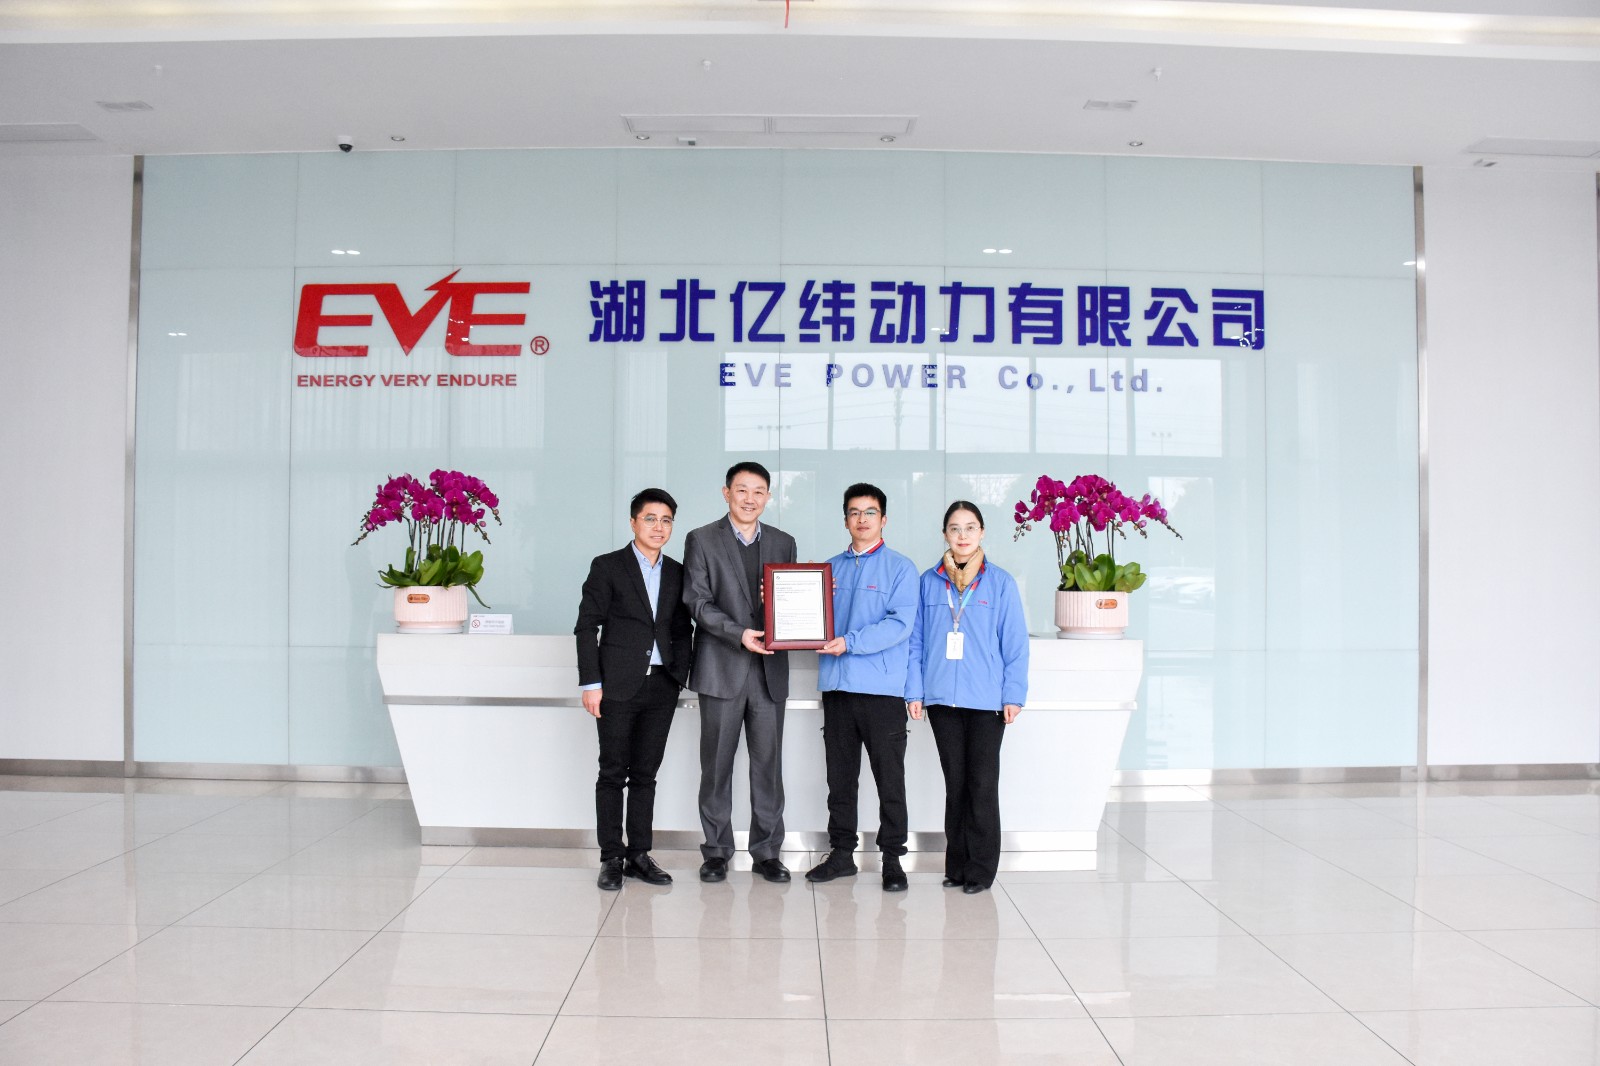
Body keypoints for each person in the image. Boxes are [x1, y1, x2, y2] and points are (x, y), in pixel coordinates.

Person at [681, 461, 798, 884]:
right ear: (726, 492)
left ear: (768, 497)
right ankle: (716, 851)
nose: (750, 499)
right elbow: (696, 601)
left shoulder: (784, 542)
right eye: (742, 490)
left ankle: (767, 852)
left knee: (768, 767)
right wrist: (739, 633)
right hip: (721, 668)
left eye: (759, 491)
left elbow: (788, 603)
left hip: (769, 671)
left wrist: (813, 602)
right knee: (716, 766)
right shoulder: (701, 539)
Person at [574, 488, 695, 891]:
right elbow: (586, 627)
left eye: (666, 520)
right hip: (616, 687)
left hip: (661, 686)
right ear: (633, 522)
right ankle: (611, 856)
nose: (659, 527)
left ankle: (639, 855)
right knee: (612, 773)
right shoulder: (608, 566)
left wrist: (680, 673)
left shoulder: (677, 572)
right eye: (650, 518)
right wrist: (592, 683)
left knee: (646, 774)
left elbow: (683, 628)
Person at [906, 501, 1029, 894]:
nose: (962, 535)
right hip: (942, 699)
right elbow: (915, 642)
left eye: (970, 527)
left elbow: (1015, 645)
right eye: (955, 528)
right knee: (955, 785)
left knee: (982, 785)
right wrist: (915, 691)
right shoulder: (928, 582)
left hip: (987, 702)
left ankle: (980, 870)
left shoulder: (1001, 583)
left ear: (981, 532)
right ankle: (956, 866)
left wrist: (1013, 695)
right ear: (945, 533)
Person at [807, 483, 920, 892]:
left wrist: (850, 642)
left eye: (870, 512)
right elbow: (810, 619)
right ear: (845, 520)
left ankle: (892, 859)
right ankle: (841, 855)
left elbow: (899, 624)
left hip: (881, 691)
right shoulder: (827, 569)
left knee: (890, 780)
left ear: (883, 519)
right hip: (837, 689)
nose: (862, 519)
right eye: (854, 512)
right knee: (840, 780)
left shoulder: (901, 568)